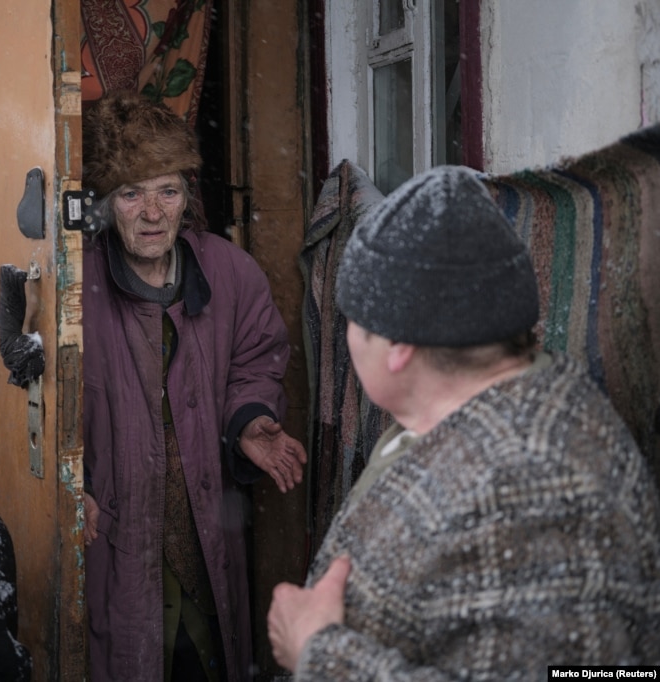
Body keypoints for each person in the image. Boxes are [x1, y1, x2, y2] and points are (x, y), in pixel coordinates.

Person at [267, 165, 660, 679]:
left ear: (399, 345)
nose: (348, 340)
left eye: (354, 322)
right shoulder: (473, 411)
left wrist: (320, 652)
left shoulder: (534, 486)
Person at [81, 91, 308, 682]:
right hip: (115, 528)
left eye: (168, 191)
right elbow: (44, 394)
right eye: (132, 193)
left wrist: (250, 418)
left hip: (204, 525)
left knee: (202, 657)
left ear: (188, 198)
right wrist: (66, 481)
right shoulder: (75, 286)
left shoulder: (229, 272)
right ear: (106, 205)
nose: (152, 212)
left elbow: (256, 358)